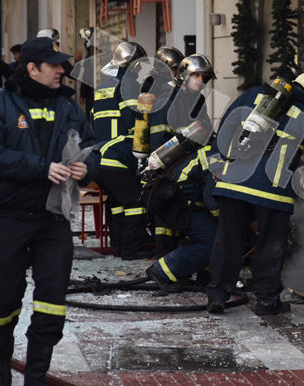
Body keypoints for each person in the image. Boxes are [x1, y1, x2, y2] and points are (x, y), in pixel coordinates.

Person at [0, 37, 98, 386]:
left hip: (53, 219)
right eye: (54, 65)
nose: (62, 70)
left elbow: (92, 146)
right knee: (3, 299)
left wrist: (87, 168)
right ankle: (1, 365)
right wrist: (41, 167)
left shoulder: (69, 106)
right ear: (32, 68)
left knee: (52, 302)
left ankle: (36, 376)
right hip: (10, 216)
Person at [205, 70, 304, 316]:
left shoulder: (254, 95)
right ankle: (267, 301)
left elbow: (227, 124)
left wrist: (216, 162)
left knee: (228, 241)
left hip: (233, 182)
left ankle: (217, 296)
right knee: (270, 247)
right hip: (273, 192)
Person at [149, 54, 215, 258]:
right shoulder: (166, 100)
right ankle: (164, 263)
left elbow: (205, 131)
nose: (201, 81)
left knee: (192, 211)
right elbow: (158, 141)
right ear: (184, 75)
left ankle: (190, 259)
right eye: (196, 75)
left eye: (204, 77)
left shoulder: (199, 100)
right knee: (167, 219)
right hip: (168, 168)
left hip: (192, 167)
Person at [92, 40, 152, 260]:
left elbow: (94, 120)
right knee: (136, 201)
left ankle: (118, 246)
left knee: (117, 203)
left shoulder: (103, 87)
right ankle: (131, 249)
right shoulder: (129, 85)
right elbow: (133, 122)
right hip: (119, 155)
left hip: (99, 156)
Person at [145, 144, 219, 293]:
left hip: (179, 202)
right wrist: (225, 218)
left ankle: (206, 279)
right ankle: (161, 272)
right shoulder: (215, 156)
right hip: (183, 206)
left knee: (212, 235)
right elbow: (211, 201)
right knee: (214, 242)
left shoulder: (208, 150)